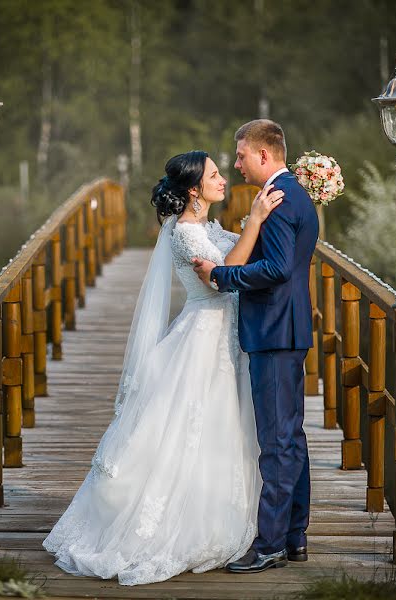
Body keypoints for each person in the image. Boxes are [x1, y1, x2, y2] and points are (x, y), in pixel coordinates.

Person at [42, 149, 285, 586]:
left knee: (219, 425)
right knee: (191, 424)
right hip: (204, 335)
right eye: (214, 175)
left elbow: (247, 256)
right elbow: (224, 274)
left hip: (226, 335)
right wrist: (254, 220)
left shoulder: (207, 226)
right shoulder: (186, 234)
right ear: (194, 190)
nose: (223, 179)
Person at [193, 119, 319, 574]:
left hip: (274, 330)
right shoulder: (287, 194)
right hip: (286, 329)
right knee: (292, 439)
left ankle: (268, 545)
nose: (236, 162)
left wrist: (223, 277)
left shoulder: (280, 201)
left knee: (277, 442)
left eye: (241, 154)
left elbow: (279, 268)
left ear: (264, 155)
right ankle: (294, 536)